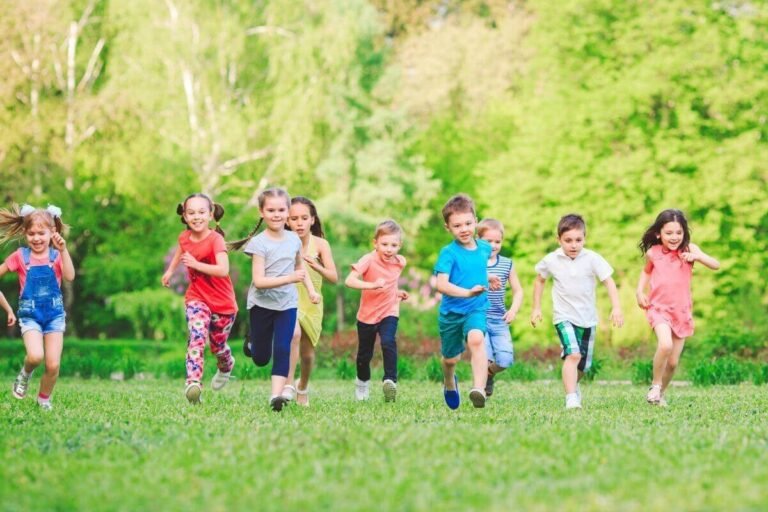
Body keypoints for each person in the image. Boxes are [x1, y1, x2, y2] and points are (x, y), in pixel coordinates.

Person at [230, 187, 320, 412]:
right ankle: (253, 340)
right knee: (261, 358)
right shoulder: (259, 244)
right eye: (271, 210)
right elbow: (259, 281)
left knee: (283, 347)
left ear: (288, 212)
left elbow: (300, 267)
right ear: (262, 212)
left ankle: (276, 396)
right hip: (261, 305)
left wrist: (310, 290)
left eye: (281, 209)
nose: (277, 214)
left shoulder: (293, 240)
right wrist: (290, 277)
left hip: (287, 304)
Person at [531, 213, 623, 410]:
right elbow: (539, 280)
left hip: (588, 318)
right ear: (559, 240)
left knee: (583, 365)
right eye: (568, 240)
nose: (573, 245)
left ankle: (573, 385)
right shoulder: (551, 260)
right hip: (563, 316)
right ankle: (571, 397)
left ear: (585, 238)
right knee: (573, 354)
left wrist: (616, 307)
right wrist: (536, 307)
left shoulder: (592, 259)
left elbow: (609, 281)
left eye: (578, 240)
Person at [636, 209, 719, 406]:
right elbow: (646, 273)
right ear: (659, 234)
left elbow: (715, 264)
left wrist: (697, 257)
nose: (674, 237)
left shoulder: (690, 249)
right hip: (659, 309)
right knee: (665, 345)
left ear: (684, 233)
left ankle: (660, 395)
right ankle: (655, 385)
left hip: (681, 312)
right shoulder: (653, 253)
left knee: (672, 363)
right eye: (669, 233)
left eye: (678, 233)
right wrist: (639, 291)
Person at [162, 193, 237, 404]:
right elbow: (181, 251)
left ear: (211, 214)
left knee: (218, 347)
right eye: (191, 213)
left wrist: (196, 265)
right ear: (184, 216)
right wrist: (170, 271)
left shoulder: (216, 239)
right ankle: (193, 384)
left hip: (223, 303)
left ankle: (226, 365)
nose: (196, 217)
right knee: (197, 336)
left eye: (201, 212)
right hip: (197, 298)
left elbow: (223, 269)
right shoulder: (184, 237)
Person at [0, 204, 75, 410]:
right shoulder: (20, 257)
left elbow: (69, 276)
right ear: (25, 233)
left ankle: (43, 399)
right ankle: (25, 374)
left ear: (53, 232)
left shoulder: (57, 256)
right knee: (35, 356)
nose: (36, 238)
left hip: (54, 316)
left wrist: (64, 250)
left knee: (53, 364)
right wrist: (7, 308)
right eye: (31, 233)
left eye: (41, 233)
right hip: (30, 315)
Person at [434, 194, 493, 409]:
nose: (464, 229)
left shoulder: (485, 248)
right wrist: (468, 292)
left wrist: (490, 278)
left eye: (468, 223)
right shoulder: (448, 253)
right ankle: (449, 381)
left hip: (476, 308)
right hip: (451, 313)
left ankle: (478, 389)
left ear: (476, 220)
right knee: (451, 359)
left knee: (476, 340)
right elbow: (441, 284)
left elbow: (478, 268)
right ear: (448, 228)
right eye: (457, 225)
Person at [283, 196, 338, 406]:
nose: (299, 222)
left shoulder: (321, 244)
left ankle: (302, 385)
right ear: (287, 221)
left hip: (313, 302)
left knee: (307, 355)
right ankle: (287, 386)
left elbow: (334, 278)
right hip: (289, 300)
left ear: (312, 220)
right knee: (291, 338)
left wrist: (317, 267)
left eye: (304, 218)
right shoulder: (283, 243)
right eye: (294, 218)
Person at [345, 220, 408, 402]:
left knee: (388, 341)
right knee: (365, 355)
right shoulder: (368, 260)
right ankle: (362, 383)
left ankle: (390, 381)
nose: (389, 249)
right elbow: (350, 281)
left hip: (389, 310)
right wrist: (372, 285)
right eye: (385, 244)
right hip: (367, 315)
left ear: (399, 246)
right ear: (375, 243)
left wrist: (396, 293)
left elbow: (390, 283)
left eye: (394, 245)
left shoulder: (400, 262)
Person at [477, 218, 523, 398]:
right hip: (478, 317)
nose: (493, 245)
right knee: (484, 356)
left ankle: (489, 374)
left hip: (499, 319)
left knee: (505, 360)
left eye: (497, 241)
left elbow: (518, 291)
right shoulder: (473, 262)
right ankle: (479, 389)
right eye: (488, 241)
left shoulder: (507, 263)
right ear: (478, 240)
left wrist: (513, 310)